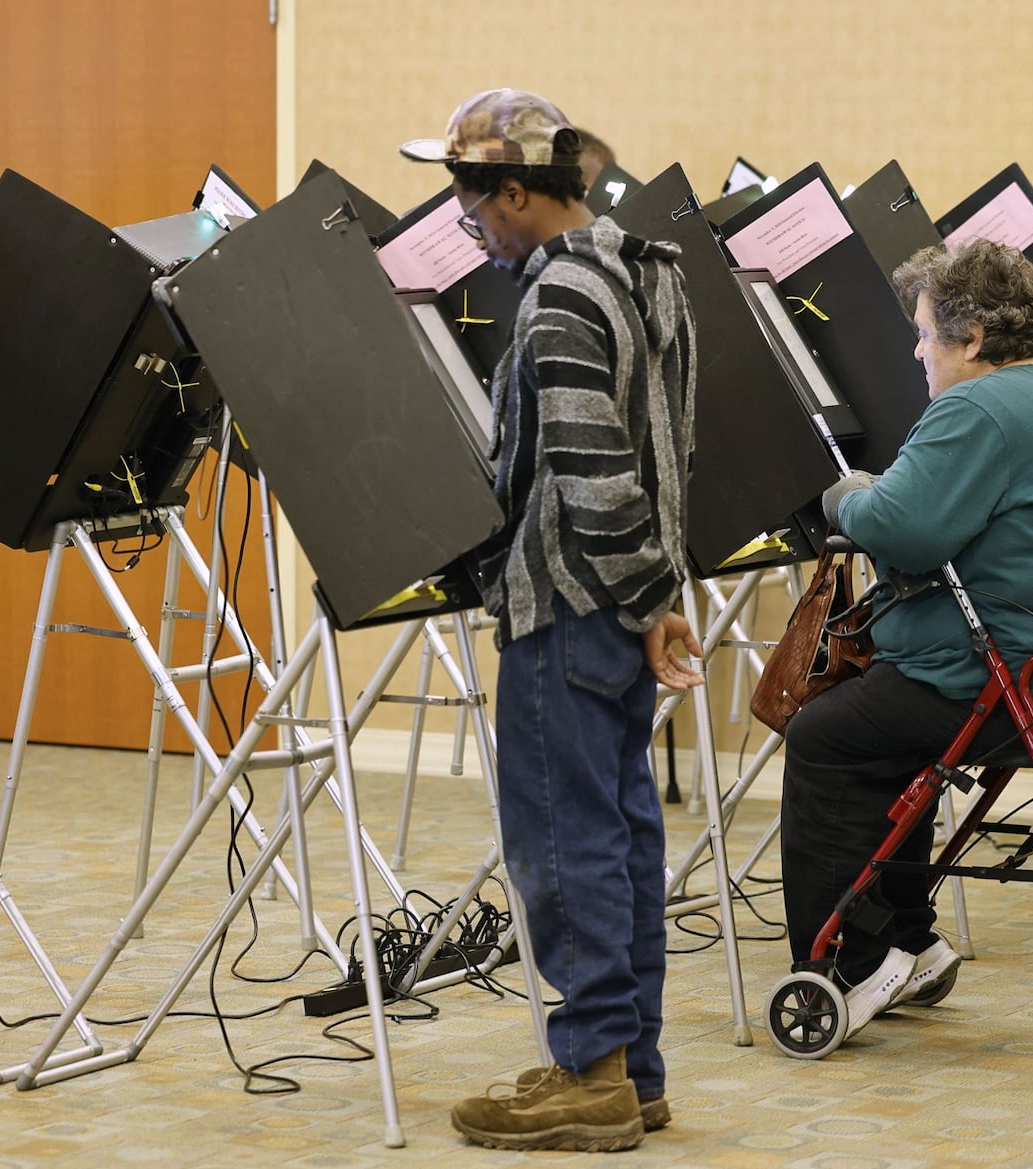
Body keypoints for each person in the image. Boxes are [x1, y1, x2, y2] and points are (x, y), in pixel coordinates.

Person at [401, 88, 701, 1152]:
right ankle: (629, 1062)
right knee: (617, 839)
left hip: (567, 604)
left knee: (562, 849)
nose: (463, 221)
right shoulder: (645, 267)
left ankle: (593, 1073)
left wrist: (628, 592)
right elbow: (663, 454)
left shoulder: (560, 293)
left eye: (470, 198)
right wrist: (657, 600)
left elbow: (591, 465)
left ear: (518, 191)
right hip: (622, 606)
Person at [783, 239, 1033, 1041]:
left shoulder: (978, 407)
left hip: (1029, 682)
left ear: (973, 340)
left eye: (924, 333)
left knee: (826, 736)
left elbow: (903, 527)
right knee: (895, 733)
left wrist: (844, 492)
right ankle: (909, 940)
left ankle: (849, 962)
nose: (916, 350)